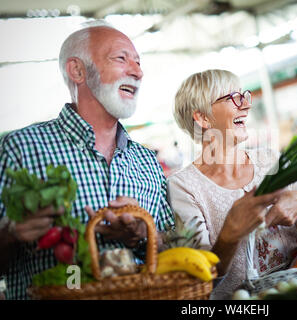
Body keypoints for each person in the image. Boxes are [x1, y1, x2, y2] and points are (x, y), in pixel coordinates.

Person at [0, 22, 174, 299]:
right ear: (77, 70)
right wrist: (10, 234)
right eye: (121, 58)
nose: (138, 71)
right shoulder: (21, 148)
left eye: (138, 62)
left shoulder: (147, 160)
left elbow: (176, 253)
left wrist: (144, 235)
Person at [168, 69, 297, 299]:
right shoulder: (183, 186)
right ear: (203, 118)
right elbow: (202, 279)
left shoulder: (269, 160)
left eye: (244, 96)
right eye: (233, 98)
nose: (245, 105)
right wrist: (229, 234)